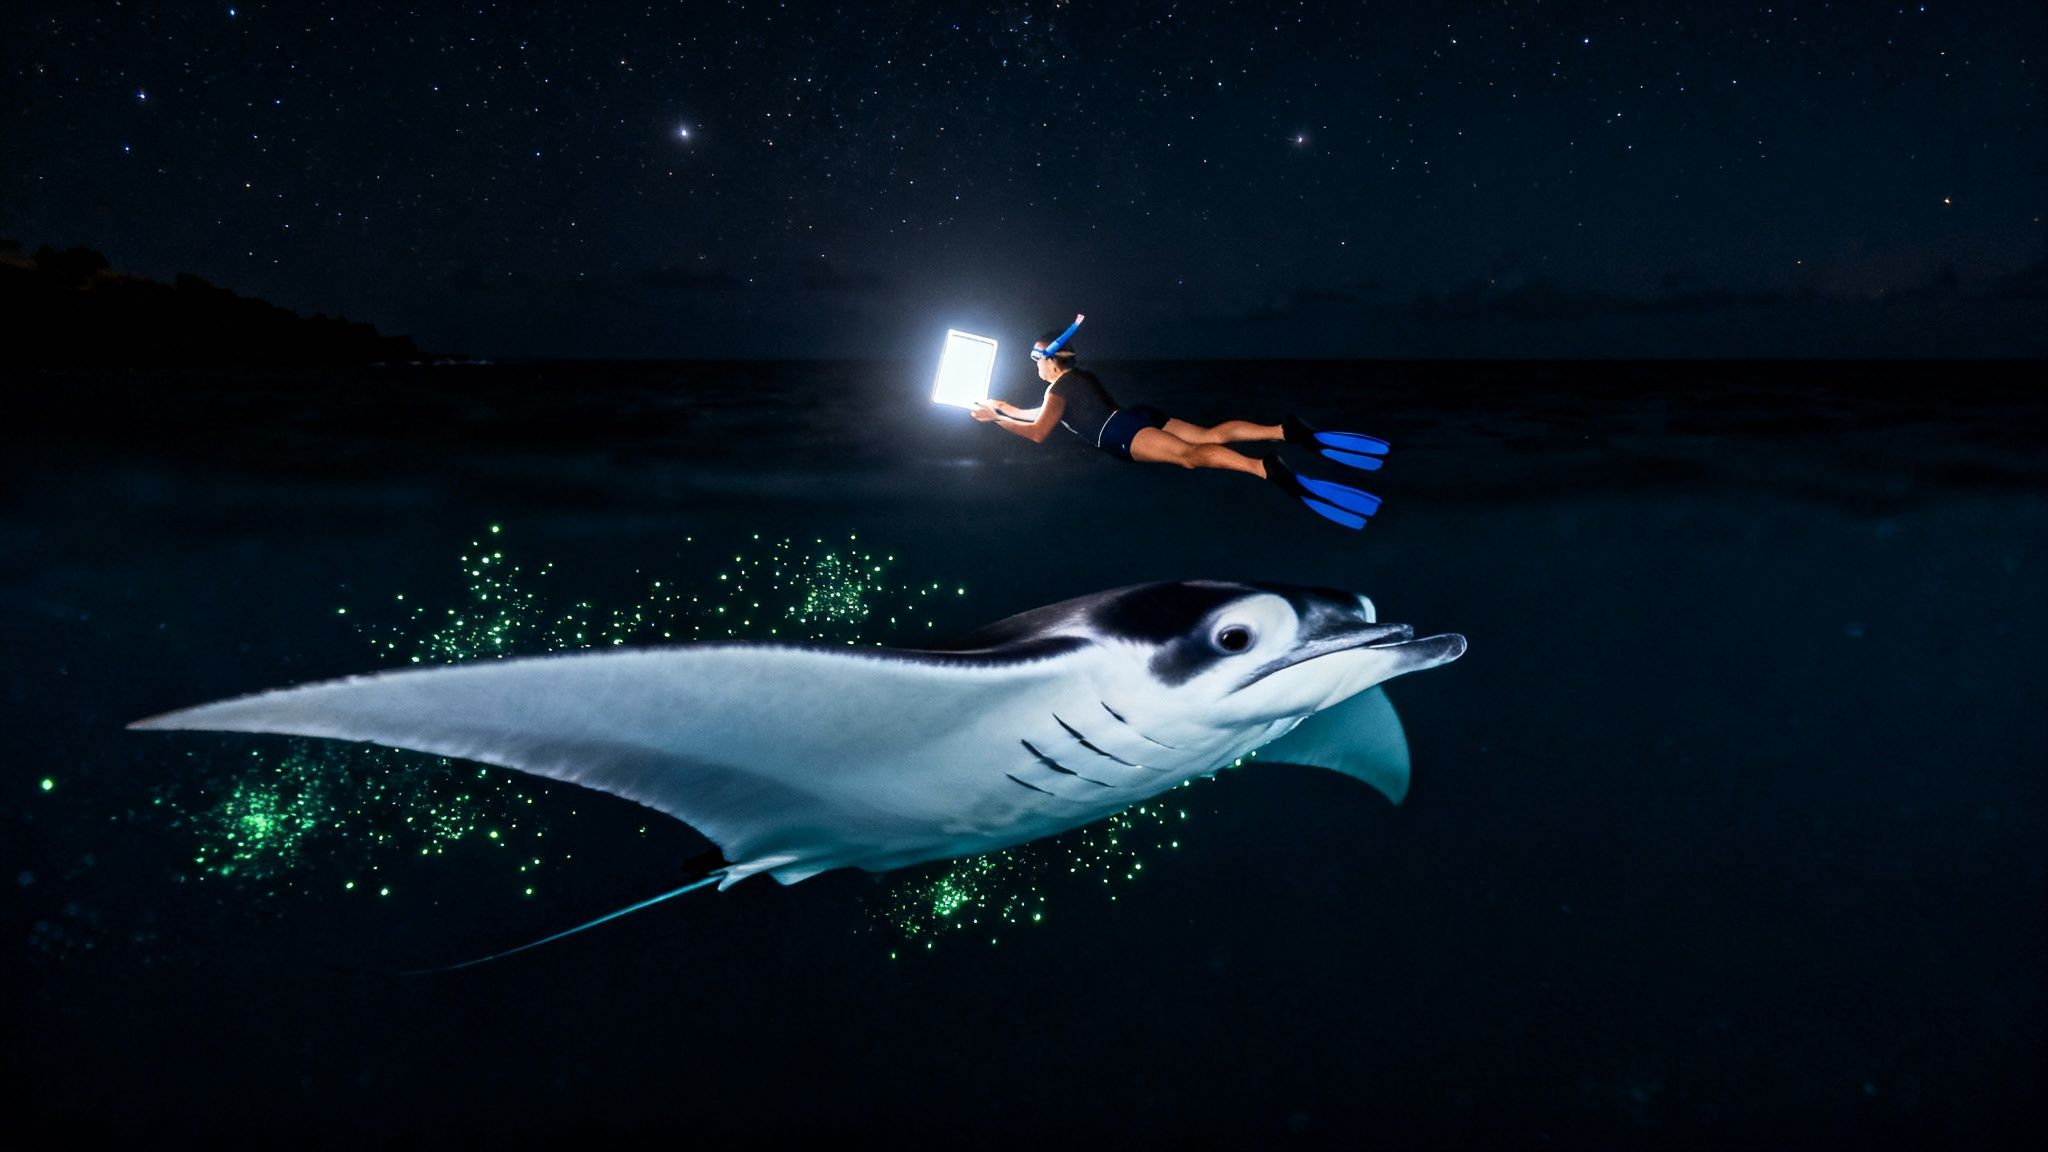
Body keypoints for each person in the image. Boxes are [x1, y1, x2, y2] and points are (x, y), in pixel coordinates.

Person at [970, 326, 1391, 528]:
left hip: (1121, 434)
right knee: (1209, 435)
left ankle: (1264, 468)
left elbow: (1039, 431)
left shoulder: (1059, 388)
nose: (1035, 366)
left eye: (1036, 358)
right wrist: (1004, 407)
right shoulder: (1075, 380)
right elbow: (1039, 414)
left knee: (1190, 457)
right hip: (1137, 416)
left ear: (1051, 359)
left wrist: (997, 421)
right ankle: (1283, 430)